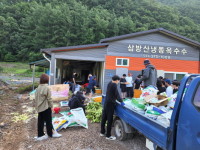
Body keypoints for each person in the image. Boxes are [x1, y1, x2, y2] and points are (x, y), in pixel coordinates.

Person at [34, 74, 62, 141]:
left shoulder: (38, 87)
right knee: (48, 121)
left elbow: (36, 98)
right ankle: (51, 133)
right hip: (46, 107)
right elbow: (49, 99)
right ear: (47, 80)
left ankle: (40, 135)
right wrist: (51, 106)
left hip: (39, 107)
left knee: (40, 122)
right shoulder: (47, 88)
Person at [100, 75, 124, 140]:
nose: (118, 82)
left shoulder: (109, 83)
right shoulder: (114, 85)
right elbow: (117, 94)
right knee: (109, 119)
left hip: (106, 102)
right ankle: (108, 135)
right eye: (118, 81)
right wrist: (121, 101)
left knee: (104, 118)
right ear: (116, 80)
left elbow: (112, 93)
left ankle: (102, 132)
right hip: (110, 104)